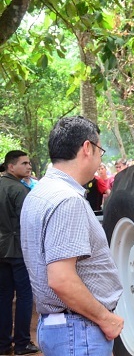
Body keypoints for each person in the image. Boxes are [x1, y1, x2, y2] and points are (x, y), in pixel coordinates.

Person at [20, 116, 124, 356]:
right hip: (79, 330)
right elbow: (61, 279)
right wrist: (105, 318)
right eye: (100, 149)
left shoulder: (40, 193)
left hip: (64, 329)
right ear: (87, 148)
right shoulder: (67, 200)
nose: (101, 159)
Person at [0, 151, 39, 356]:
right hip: (18, 250)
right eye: (24, 163)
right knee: (25, 296)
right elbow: (29, 224)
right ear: (11, 167)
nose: (29, 166)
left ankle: (4, 345)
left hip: (1, 251)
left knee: (4, 297)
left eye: (29, 163)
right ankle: (23, 343)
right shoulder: (19, 190)